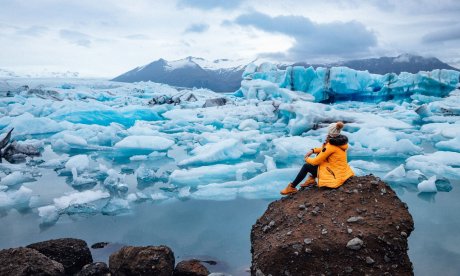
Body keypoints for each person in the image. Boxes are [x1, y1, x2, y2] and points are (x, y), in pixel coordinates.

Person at [280, 121, 354, 195]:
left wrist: (306, 158)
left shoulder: (331, 146)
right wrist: (313, 150)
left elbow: (316, 161)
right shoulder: (340, 142)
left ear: (330, 132)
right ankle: (312, 178)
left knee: (306, 166)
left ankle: (292, 187)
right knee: (319, 155)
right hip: (340, 172)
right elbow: (325, 150)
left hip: (334, 175)